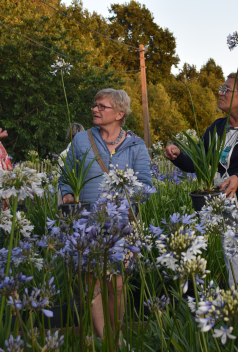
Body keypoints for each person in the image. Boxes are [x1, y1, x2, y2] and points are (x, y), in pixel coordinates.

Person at [164, 72, 238, 295]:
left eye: (226, 89)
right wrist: (178, 155)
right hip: (228, 212)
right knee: (236, 281)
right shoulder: (217, 128)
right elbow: (197, 163)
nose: (220, 92)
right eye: (222, 88)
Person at [59, 88, 152, 340]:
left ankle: (116, 336)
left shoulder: (136, 145)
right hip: (87, 221)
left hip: (122, 223)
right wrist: (67, 193)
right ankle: (104, 341)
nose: (95, 109)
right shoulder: (81, 140)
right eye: (94, 105)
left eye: (102, 106)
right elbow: (66, 175)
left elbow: (146, 184)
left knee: (118, 285)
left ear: (120, 113)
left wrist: (127, 193)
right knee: (93, 284)